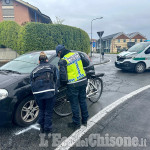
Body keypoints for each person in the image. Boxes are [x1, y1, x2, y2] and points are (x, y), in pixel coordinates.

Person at [56, 45, 89, 130]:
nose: (58, 56)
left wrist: (61, 85)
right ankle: (85, 120)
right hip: (83, 80)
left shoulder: (63, 61)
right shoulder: (76, 54)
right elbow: (86, 63)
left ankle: (76, 123)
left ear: (60, 52)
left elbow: (63, 77)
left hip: (73, 84)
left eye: (57, 55)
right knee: (82, 101)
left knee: (74, 104)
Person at [30, 52, 59, 133]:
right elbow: (57, 79)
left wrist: (35, 94)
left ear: (39, 61)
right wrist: (55, 90)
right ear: (47, 60)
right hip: (49, 92)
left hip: (38, 94)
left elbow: (31, 83)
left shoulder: (33, 71)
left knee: (42, 109)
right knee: (48, 111)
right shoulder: (52, 67)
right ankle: (47, 129)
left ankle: (42, 127)